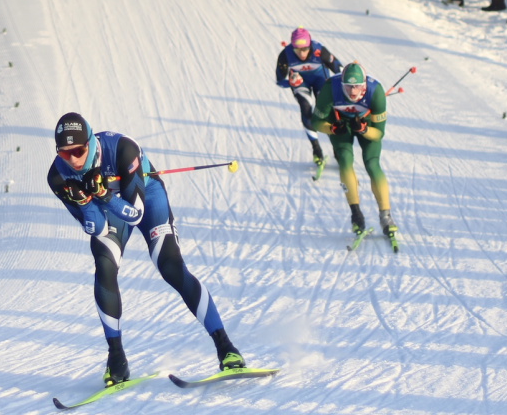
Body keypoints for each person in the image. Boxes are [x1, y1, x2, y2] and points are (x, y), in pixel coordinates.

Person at [47, 113, 245, 387]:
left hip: (147, 200)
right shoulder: (58, 175)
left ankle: (226, 346)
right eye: (64, 153)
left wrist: (105, 195)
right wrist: (84, 203)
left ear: (90, 143)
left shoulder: (123, 149)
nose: (72, 160)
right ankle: (116, 358)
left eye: (78, 151)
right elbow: (98, 228)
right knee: (104, 266)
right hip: (109, 212)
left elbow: (136, 214)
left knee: (172, 268)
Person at [310, 61, 397, 241]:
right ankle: (356, 214)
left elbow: (379, 134)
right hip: (339, 123)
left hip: (366, 124)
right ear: (341, 85)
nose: (353, 92)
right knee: (344, 160)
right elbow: (316, 122)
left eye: (357, 86)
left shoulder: (376, 92)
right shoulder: (329, 89)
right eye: (348, 87)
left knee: (372, 164)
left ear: (364, 85)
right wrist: (332, 129)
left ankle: (386, 217)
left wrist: (364, 130)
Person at [275, 27, 344, 175]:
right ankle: (316, 150)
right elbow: (279, 81)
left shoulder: (320, 51)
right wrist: (291, 83)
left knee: (326, 112)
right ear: (292, 47)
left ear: (310, 45)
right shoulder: (285, 55)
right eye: (297, 50)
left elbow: (340, 69)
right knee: (306, 109)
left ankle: (337, 150)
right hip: (301, 84)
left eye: (305, 49)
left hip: (321, 82)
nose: (301, 53)